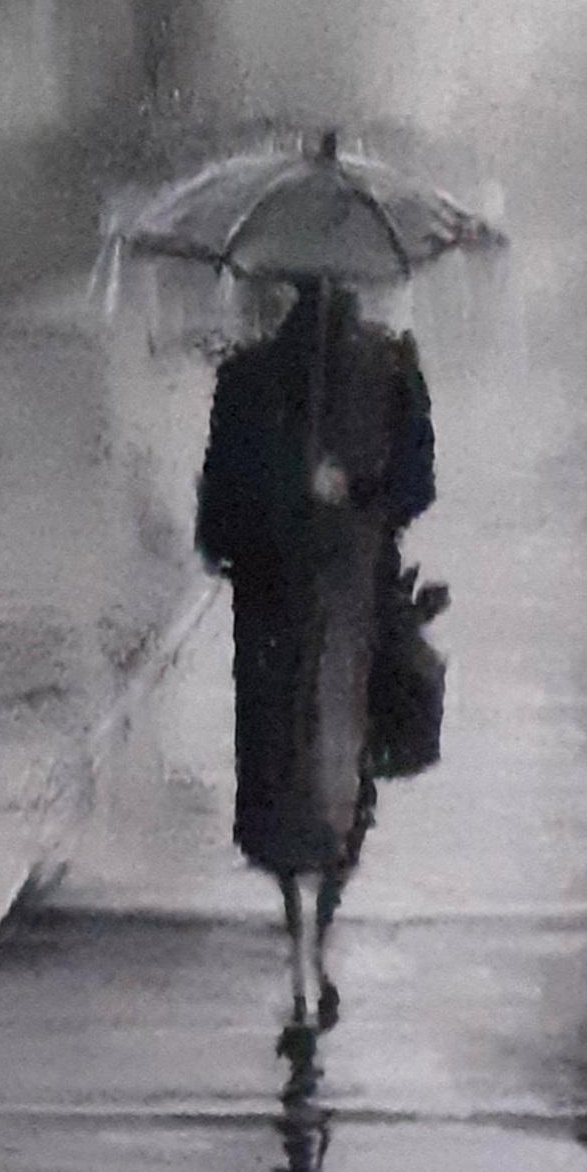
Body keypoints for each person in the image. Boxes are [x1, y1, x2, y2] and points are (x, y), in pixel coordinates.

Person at [195, 273, 437, 1029]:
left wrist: (278, 502)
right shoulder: (392, 368)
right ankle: (314, 933)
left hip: (271, 611)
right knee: (340, 774)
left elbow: (215, 522)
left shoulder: (244, 376)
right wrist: (353, 494)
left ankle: (299, 930)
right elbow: (415, 488)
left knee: (281, 775)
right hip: (352, 600)